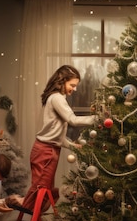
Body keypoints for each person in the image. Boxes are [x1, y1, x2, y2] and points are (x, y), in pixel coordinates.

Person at [8, 65, 98, 213]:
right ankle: (21, 203)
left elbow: (57, 136)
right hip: (46, 151)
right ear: (62, 81)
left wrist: (73, 146)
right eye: (72, 85)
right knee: (41, 188)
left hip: (49, 149)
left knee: (46, 189)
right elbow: (72, 120)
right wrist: (98, 118)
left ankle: (32, 210)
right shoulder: (56, 98)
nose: (74, 89)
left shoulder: (58, 98)